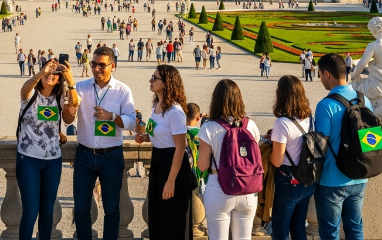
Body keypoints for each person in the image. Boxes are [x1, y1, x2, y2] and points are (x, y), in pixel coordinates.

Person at [73, 46, 136, 240]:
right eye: (93, 64)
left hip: (111, 156)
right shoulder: (81, 87)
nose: (97, 69)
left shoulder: (123, 90)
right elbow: (67, 113)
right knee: (81, 209)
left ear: (113, 66)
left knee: (112, 209)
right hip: (84, 155)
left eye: (102, 65)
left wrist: (112, 116)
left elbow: (132, 121)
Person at [16, 59, 77, 240]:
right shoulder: (30, 95)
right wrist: (42, 72)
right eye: (47, 72)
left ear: (59, 80)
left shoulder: (60, 98)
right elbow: (25, 89)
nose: (51, 74)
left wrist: (71, 82)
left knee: (47, 211)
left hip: (52, 160)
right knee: (30, 212)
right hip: (28, 159)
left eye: (55, 73)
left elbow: (69, 119)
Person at [314, 53, 372, 240]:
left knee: (330, 234)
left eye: (320, 75)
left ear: (327, 74)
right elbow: (372, 140)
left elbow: (319, 146)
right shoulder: (364, 100)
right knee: (355, 229)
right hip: (359, 177)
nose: (320, 79)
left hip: (332, 179)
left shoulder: (326, 105)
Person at [196, 79, 261, 240]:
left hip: (219, 187)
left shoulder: (209, 127)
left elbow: (202, 165)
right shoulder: (250, 125)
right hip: (248, 188)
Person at [135, 65, 191, 240]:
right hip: (158, 161)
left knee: (171, 222)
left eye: (154, 78)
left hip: (172, 166)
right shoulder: (157, 106)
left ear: (166, 83)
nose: (150, 81)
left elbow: (180, 147)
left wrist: (171, 180)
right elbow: (159, 136)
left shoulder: (175, 112)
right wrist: (144, 137)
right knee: (157, 218)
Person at [269, 75, 315, 240]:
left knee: (280, 231)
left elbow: (277, 160)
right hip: (307, 180)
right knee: (298, 228)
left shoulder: (282, 123)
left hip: (289, 180)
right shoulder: (310, 118)